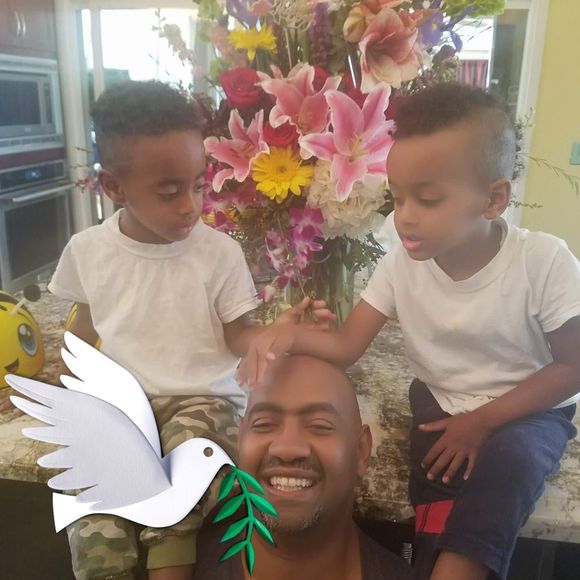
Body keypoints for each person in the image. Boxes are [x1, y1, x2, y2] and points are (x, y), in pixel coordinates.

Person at [238, 83, 580, 580]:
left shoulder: (543, 261)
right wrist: (288, 336)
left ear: (493, 199)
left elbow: (572, 367)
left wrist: (482, 421)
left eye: (428, 199)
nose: (406, 217)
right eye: (398, 198)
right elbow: (346, 345)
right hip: (440, 401)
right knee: (435, 485)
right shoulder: (400, 266)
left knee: (511, 463)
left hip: (527, 408)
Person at [47, 80, 330, 580]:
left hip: (203, 402)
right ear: (114, 186)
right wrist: (63, 384)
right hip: (122, 405)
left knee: (180, 483)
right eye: (169, 192)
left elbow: (238, 335)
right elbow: (84, 328)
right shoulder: (87, 251)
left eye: (198, 185)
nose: (190, 206)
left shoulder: (218, 253)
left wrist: (271, 334)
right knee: (89, 494)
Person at [193, 355, 411, 579]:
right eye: (264, 424)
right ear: (240, 442)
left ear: (361, 450)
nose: (287, 450)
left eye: (319, 426)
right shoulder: (182, 568)